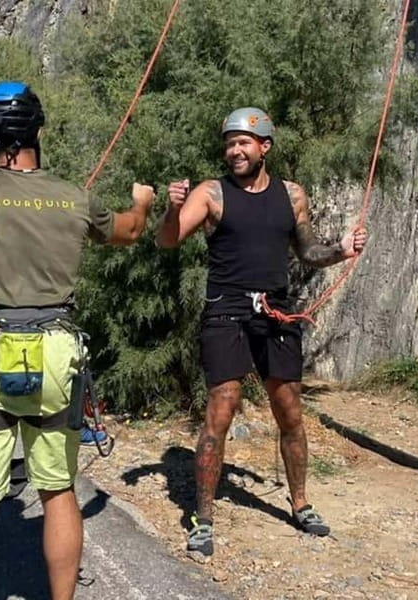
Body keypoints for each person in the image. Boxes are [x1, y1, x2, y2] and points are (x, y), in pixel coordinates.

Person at [0, 80, 155, 600]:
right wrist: (143, 202)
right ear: (38, 130)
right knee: (58, 490)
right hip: (54, 354)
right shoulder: (72, 197)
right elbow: (132, 232)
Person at [156, 107, 367, 559]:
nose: (234, 150)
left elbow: (307, 248)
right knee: (222, 407)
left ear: (264, 147)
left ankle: (302, 503)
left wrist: (341, 250)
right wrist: (172, 210)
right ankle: (204, 518)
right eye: (229, 143)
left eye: (243, 143)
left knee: (289, 410)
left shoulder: (291, 195)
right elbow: (167, 241)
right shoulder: (211, 193)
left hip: (275, 313)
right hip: (225, 309)